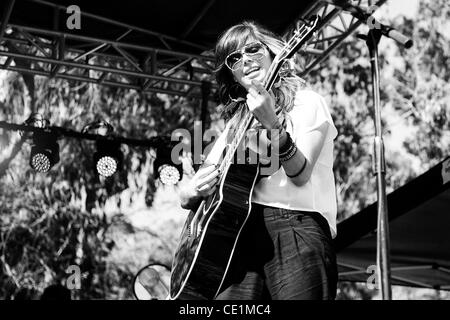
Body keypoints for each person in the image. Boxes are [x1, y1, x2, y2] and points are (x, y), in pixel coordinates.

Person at [179, 20, 338, 300]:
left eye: (253, 49)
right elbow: (191, 190)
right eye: (234, 58)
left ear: (273, 51)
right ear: (232, 75)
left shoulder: (305, 102)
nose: (246, 60)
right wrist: (190, 191)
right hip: (238, 237)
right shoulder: (235, 124)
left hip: (294, 227)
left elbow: (300, 174)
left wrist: (273, 125)